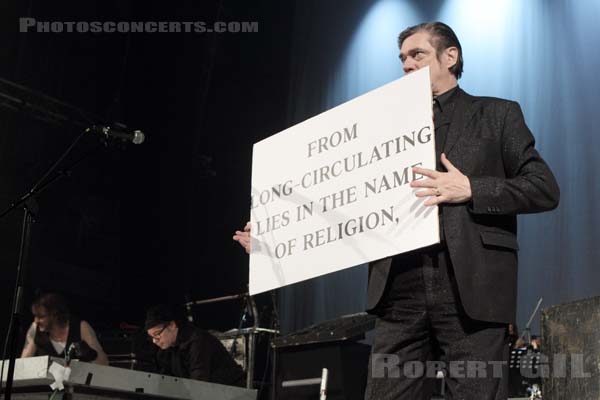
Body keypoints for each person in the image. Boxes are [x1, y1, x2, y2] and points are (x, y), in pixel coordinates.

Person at [234, 21, 559, 399]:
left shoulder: (497, 115)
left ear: (449, 57)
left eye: (416, 54)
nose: (406, 65)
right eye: (402, 58)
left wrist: (470, 187)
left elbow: (543, 188)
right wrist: (278, 234)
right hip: (398, 287)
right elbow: (337, 199)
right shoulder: (379, 127)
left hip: (470, 285)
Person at [144, 304, 246, 387]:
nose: (154, 341)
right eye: (151, 337)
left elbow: (198, 384)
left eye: (157, 334)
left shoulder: (198, 341)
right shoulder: (166, 349)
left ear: (172, 325)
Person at [21, 292, 108, 365]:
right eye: (35, 316)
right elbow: (23, 363)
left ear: (55, 315)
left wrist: (90, 354)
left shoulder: (81, 327)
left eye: (41, 317)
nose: (36, 321)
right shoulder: (34, 328)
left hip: (76, 382)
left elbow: (104, 362)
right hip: (45, 384)